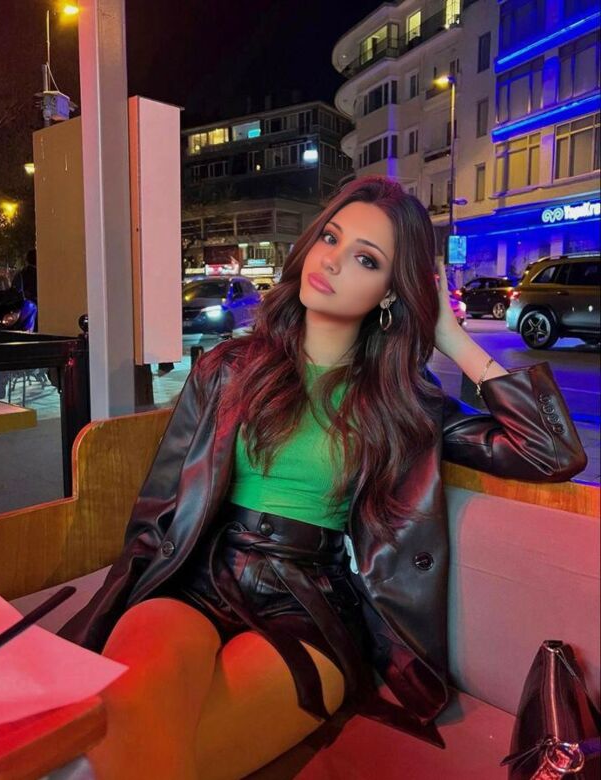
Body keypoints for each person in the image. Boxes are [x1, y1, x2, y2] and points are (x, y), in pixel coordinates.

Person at [60, 176, 586, 779]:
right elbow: (159, 507)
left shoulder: (405, 405)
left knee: (157, 754)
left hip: (309, 603)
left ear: (392, 291)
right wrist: (119, 597)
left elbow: (549, 451)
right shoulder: (227, 368)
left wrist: (449, 335)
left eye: (367, 259)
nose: (333, 260)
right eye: (331, 237)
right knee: (133, 713)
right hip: (198, 577)